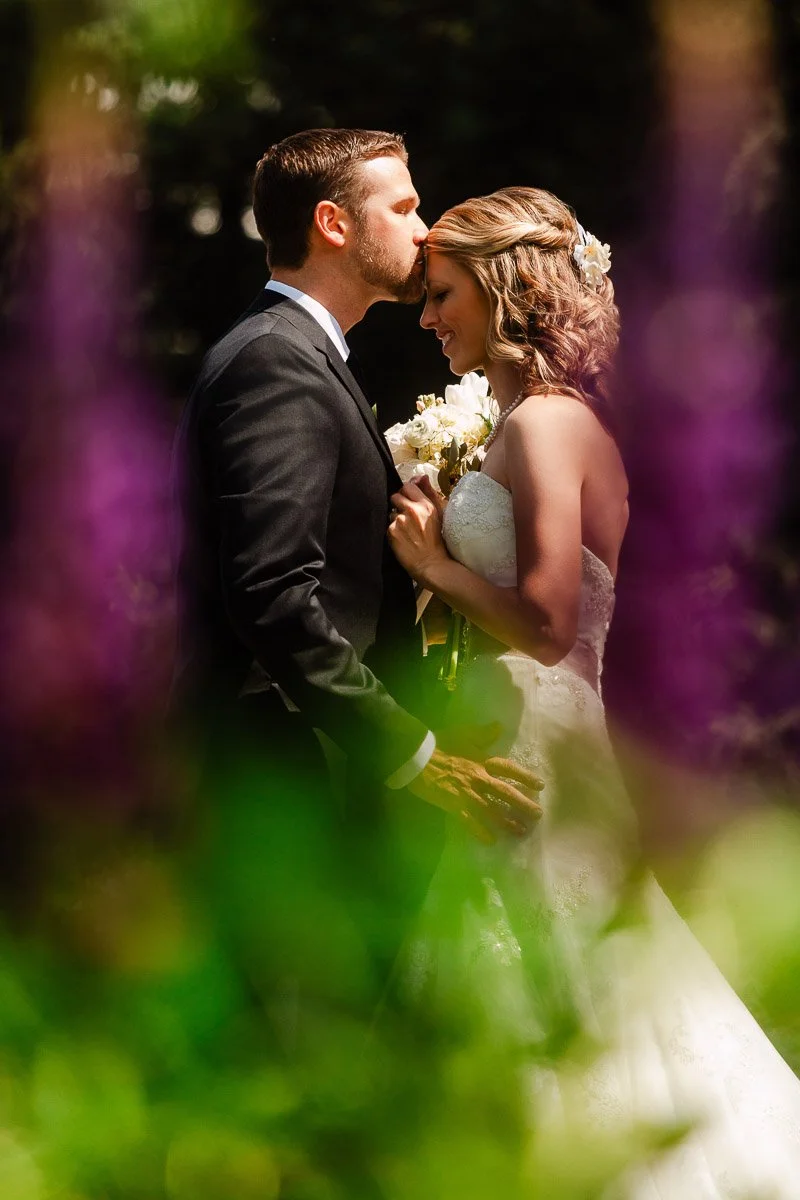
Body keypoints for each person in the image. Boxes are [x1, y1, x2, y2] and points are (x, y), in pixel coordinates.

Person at [388, 185, 800, 1197]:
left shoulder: (543, 427)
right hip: (526, 723)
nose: (430, 318)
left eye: (441, 295)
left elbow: (547, 621)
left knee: (559, 986)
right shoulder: (531, 422)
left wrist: (434, 566)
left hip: (539, 736)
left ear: (499, 286)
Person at [172, 132, 542, 1029]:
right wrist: (412, 755)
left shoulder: (305, 355)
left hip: (309, 777)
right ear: (334, 224)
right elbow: (271, 592)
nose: (424, 230)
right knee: (309, 1051)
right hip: (294, 780)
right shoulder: (276, 362)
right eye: (404, 208)